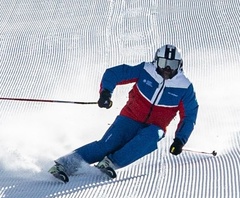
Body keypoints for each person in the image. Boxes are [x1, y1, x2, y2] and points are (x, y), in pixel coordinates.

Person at [49, 44, 198, 183]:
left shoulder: (184, 86)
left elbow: (189, 115)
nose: (167, 68)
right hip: (130, 117)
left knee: (151, 137)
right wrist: (106, 93)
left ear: (179, 65)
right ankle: (63, 165)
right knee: (107, 145)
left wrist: (180, 140)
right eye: (163, 62)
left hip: (155, 126)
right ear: (156, 61)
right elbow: (114, 73)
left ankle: (111, 162)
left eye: (172, 65)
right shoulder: (145, 70)